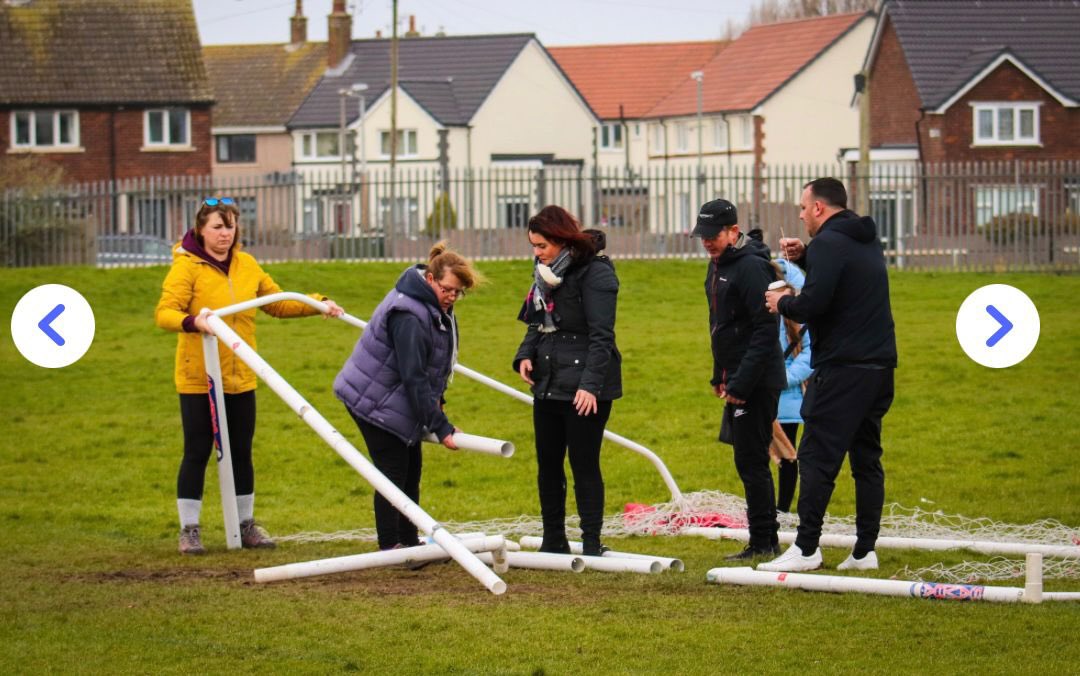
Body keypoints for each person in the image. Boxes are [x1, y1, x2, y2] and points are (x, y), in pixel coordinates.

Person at [156, 197, 343, 555]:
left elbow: (276, 302)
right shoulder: (186, 267)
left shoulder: (247, 265)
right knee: (196, 451)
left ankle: (246, 525)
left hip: (242, 375)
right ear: (201, 230)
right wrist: (194, 322)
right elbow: (165, 312)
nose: (224, 234)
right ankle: (189, 529)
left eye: (229, 227)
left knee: (242, 451)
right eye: (217, 227)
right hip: (200, 378)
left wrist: (319, 303)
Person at [760, 177, 897, 573]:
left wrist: (781, 301)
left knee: (817, 456)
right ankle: (864, 551)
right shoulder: (863, 238)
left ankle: (805, 548)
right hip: (879, 367)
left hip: (843, 369)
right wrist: (805, 257)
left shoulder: (829, 244)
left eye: (803, 209)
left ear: (819, 207)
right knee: (867, 460)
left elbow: (813, 304)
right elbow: (841, 279)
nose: (800, 216)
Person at [335, 242, 478, 553]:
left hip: (394, 398)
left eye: (458, 293)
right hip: (373, 401)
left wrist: (437, 406)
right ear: (430, 279)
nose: (452, 297)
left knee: (412, 470)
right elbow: (412, 376)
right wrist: (441, 426)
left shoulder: (435, 307)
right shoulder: (408, 315)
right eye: (448, 290)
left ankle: (410, 542)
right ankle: (391, 547)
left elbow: (434, 365)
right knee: (393, 473)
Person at [513, 205, 621, 557]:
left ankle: (591, 541)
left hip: (586, 387)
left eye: (542, 245)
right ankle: (553, 539)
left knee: (584, 463)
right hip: (548, 382)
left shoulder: (597, 273)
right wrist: (526, 354)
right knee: (548, 464)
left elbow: (602, 336)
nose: (536, 253)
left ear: (561, 240)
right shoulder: (543, 272)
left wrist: (589, 386)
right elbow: (538, 319)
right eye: (533, 245)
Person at [694, 199, 787, 561]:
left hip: (758, 382)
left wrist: (741, 385)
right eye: (702, 236)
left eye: (713, 235)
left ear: (734, 231)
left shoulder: (750, 268)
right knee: (746, 460)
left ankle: (764, 540)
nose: (706, 242)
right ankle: (762, 537)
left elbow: (766, 331)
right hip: (736, 379)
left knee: (752, 461)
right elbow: (720, 326)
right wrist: (719, 375)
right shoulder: (716, 265)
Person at [772, 258, 811, 514]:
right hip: (764, 395)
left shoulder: (799, 318)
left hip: (787, 398)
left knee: (788, 456)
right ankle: (768, 509)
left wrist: (782, 378)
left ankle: (782, 510)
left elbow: (810, 354)